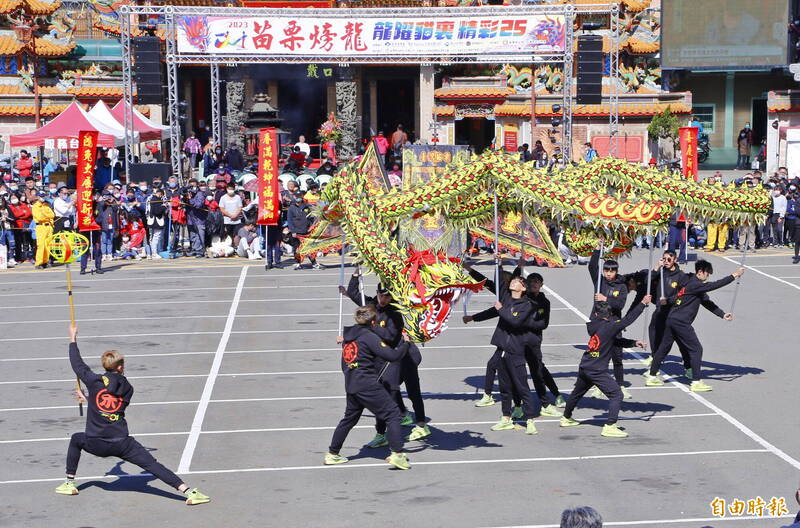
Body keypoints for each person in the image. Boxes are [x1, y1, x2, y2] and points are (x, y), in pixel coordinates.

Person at [56, 324, 210, 504]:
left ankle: (69, 482)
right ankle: (189, 492)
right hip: (121, 443)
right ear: (120, 367)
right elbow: (112, 407)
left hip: (95, 443)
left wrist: (72, 338)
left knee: (76, 439)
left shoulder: (93, 381)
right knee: (152, 465)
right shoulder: (128, 388)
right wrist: (89, 398)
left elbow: (77, 364)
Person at [324, 305, 411, 470]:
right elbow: (392, 356)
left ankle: (332, 454)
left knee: (349, 419)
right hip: (366, 384)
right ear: (373, 323)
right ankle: (398, 454)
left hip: (351, 384)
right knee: (392, 414)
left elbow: (345, 363)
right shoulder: (368, 336)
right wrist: (405, 344)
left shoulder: (348, 338)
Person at [645, 261, 744, 391]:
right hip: (681, 322)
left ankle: (651, 376)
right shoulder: (695, 284)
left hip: (671, 320)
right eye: (707, 274)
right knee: (697, 349)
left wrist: (722, 314)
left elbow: (705, 302)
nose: (708, 277)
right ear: (700, 272)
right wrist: (734, 275)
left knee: (663, 348)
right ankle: (696, 382)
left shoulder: (691, 284)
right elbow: (715, 285)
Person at [560, 297, 650, 438]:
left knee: (576, 393)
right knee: (617, 394)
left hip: (585, 365)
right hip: (597, 370)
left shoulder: (594, 325)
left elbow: (615, 341)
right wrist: (642, 304)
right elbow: (628, 320)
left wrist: (634, 343)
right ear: (609, 315)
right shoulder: (610, 326)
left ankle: (566, 417)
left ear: (596, 314)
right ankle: (610, 426)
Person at [488, 276, 541, 435]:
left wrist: (500, 309)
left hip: (516, 351)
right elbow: (496, 281)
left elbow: (514, 321)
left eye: (517, 281)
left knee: (522, 386)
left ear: (523, 288)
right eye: (513, 280)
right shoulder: (505, 298)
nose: (513, 282)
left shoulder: (527, 305)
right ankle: (506, 418)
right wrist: (498, 261)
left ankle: (530, 419)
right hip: (502, 350)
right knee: (504, 387)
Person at [588, 247, 633, 399]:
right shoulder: (599, 282)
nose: (608, 273)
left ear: (616, 271)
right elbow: (592, 267)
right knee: (597, 355)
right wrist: (597, 250)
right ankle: (598, 385)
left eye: (611, 271)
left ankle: (620, 385)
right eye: (606, 270)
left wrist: (605, 299)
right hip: (598, 323)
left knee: (617, 356)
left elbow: (620, 304)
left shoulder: (621, 286)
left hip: (614, 324)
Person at [287, 192, 320, 270]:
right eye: (296, 196)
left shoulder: (306, 206)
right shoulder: (291, 208)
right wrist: (293, 231)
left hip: (307, 231)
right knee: (297, 249)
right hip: (297, 231)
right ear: (294, 197)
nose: (298, 198)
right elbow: (290, 220)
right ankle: (298, 263)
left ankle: (314, 263)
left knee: (309, 248)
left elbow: (313, 216)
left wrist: (312, 226)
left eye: (300, 196)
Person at [31, 192, 54, 269]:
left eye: (44, 196)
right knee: (41, 245)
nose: (43, 197)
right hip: (41, 227)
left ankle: (46, 261)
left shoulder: (46, 205)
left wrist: (45, 215)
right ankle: (39, 262)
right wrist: (47, 216)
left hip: (49, 227)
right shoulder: (35, 206)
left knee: (48, 245)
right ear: (37, 197)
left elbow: (52, 215)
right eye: (41, 196)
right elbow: (39, 217)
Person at [146, 188, 167, 259]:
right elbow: (157, 211)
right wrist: (163, 207)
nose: (161, 196)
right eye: (161, 195)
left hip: (154, 221)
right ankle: (154, 253)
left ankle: (155, 252)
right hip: (156, 221)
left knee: (154, 237)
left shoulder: (153, 199)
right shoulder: (155, 200)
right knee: (155, 237)